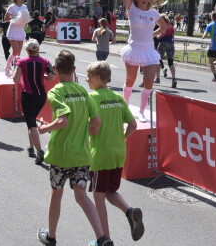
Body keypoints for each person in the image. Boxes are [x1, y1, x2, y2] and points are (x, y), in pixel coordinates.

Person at [37, 50, 110, 246]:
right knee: (81, 196)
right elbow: (96, 121)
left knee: (56, 194)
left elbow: (62, 121)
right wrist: (81, 128)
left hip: (61, 155)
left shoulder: (55, 92)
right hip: (82, 155)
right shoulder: (83, 91)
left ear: (54, 69)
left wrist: (44, 128)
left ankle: (51, 237)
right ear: (74, 69)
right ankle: (102, 238)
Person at [86, 62, 143, 243]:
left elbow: (93, 128)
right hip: (118, 153)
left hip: (100, 155)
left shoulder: (92, 97)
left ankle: (104, 239)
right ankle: (130, 211)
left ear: (97, 78)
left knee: (98, 197)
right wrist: (123, 138)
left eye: (88, 76)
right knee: (110, 191)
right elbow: (133, 125)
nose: (86, 79)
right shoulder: (118, 98)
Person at [116, 0, 167, 122]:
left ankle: (142, 111)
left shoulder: (153, 12)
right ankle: (125, 108)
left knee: (149, 82)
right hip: (134, 49)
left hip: (149, 51)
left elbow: (164, 26)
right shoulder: (132, 9)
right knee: (130, 81)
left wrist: (153, 35)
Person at [12, 39, 56, 164]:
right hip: (41, 95)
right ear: (38, 49)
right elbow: (52, 77)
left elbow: (15, 79)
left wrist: (20, 76)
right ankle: (30, 147)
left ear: (27, 50)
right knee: (31, 121)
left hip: (28, 95)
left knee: (31, 123)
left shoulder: (22, 62)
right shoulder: (46, 61)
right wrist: (43, 76)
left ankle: (39, 150)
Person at [4, 0, 28, 76]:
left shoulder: (25, 7)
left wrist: (26, 22)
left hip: (21, 30)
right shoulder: (12, 7)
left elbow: (26, 17)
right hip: (13, 30)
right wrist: (14, 19)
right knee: (15, 52)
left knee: (19, 53)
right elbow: (6, 19)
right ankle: (6, 68)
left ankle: (15, 69)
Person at [157, 14, 177, 88]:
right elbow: (173, 35)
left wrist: (156, 36)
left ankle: (158, 78)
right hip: (171, 44)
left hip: (163, 43)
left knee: (157, 59)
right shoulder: (171, 25)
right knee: (170, 62)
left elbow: (162, 35)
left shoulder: (163, 26)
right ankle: (174, 78)